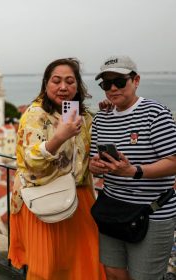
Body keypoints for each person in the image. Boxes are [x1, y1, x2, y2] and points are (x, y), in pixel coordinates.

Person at [8, 58, 106, 280]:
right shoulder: (35, 114)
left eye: (70, 81)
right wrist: (60, 136)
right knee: (48, 269)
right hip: (43, 199)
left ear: (77, 86)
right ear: (46, 84)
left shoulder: (83, 116)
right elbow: (32, 161)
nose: (63, 87)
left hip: (79, 196)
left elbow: (84, 158)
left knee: (85, 262)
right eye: (57, 81)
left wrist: (96, 164)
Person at [89, 55, 176, 280]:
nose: (113, 88)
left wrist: (134, 171)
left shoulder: (155, 114)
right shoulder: (102, 119)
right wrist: (96, 166)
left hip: (151, 212)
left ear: (136, 81)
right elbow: (93, 165)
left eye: (120, 81)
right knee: (113, 272)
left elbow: (174, 161)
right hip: (113, 209)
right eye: (106, 84)